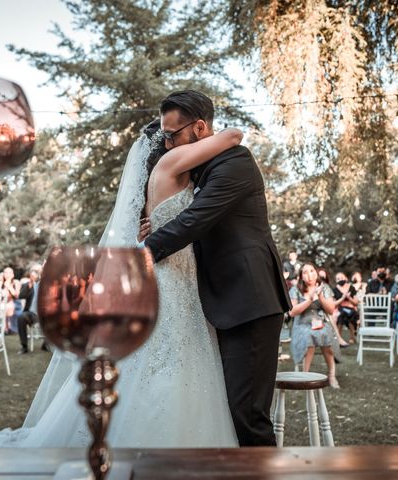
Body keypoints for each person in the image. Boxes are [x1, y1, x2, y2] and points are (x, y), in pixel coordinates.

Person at [0, 96, 262, 448]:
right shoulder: (172, 161)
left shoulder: (173, 172)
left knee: (163, 367)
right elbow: (232, 136)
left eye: (174, 133)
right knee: (168, 368)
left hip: (181, 279)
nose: (172, 141)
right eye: (168, 136)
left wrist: (153, 231)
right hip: (172, 277)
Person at [142, 90, 291, 446]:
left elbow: (195, 219)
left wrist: (143, 252)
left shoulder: (235, 162)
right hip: (217, 303)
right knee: (225, 410)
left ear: (199, 128)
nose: (165, 143)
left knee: (248, 416)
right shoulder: (192, 172)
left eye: (172, 134)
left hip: (249, 302)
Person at [288, 263, 339, 388]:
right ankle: (305, 376)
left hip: (321, 322)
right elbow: (292, 312)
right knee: (308, 337)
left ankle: (331, 376)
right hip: (302, 323)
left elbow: (331, 310)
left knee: (327, 339)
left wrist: (320, 296)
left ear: (316, 273)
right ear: (301, 276)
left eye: (312, 271)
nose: (309, 274)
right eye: (305, 272)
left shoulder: (325, 287)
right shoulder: (295, 289)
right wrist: (309, 300)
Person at [17, 269, 48, 354]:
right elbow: (20, 296)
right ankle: (24, 346)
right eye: (31, 276)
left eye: (34, 276)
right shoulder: (26, 285)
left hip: (42, 314)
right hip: (30, 313)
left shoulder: (43, 285)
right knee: (21, 317)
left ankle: (46, 344)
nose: (32, 277)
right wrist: (28, 287)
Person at [332, 271, 359, 345]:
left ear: (346, 278)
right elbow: (333, 304)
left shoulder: (351, 288)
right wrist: (342, 298)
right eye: (338, 279)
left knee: (351, 314)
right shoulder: (334, 290)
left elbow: (356, 302)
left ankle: (352, 337)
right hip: (339, 308)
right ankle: (339, 338)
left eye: (341, 277)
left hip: (351, 308)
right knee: (341, 315)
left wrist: (349, 298)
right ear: (336, 281)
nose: (340, 279)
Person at [1, 267, 21, 334]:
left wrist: (9, 286)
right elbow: (1, 296)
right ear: (3, 274)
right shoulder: (0, 283)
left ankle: (8, 328)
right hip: (3, 305)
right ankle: (6, 328)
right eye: (6, 272)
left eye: (10, 273)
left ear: (13, 274)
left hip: (15, 305)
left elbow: (16, 295)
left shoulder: (16, 282)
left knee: (9, 306)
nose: (8, 274)